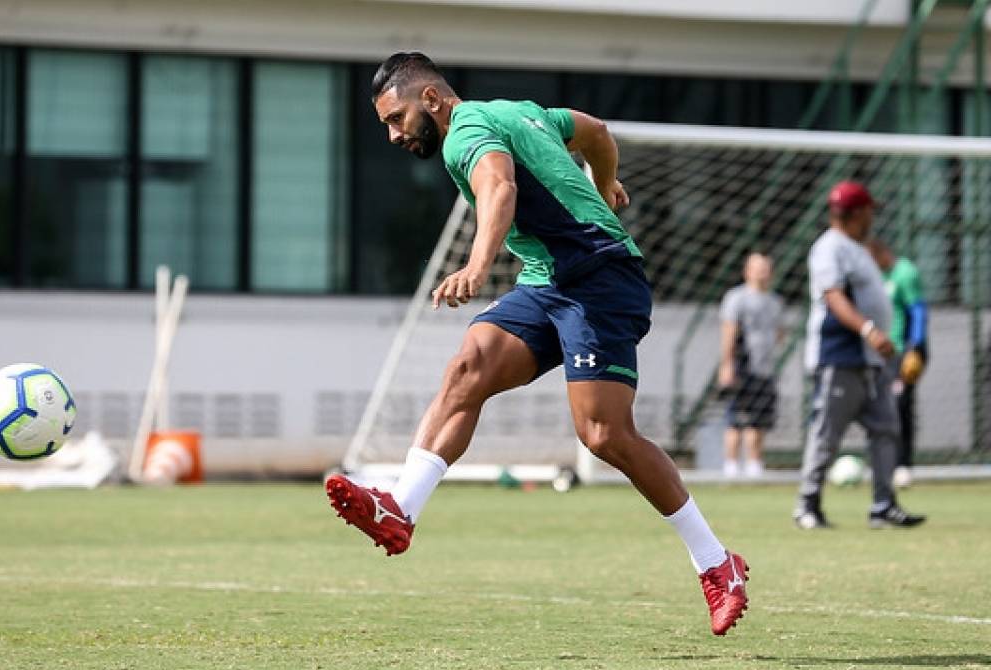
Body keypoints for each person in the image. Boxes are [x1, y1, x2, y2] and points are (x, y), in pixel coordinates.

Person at [324, 52, 749, 636]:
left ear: (430, 100)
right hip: (546, 279)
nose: (394, 135)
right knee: (467, 368)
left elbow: (498, 188)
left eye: (396, 119)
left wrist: (477, 265)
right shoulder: (520, 111)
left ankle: (717, 562)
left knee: (604, 434)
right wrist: (605, 186)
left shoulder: (464, 133)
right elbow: (596, 132)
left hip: (600, 281)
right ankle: (402, 508)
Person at [796, 180, 926, 530]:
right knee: (827, 433)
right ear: (855, 213)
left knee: (886, 428)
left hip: (869, 361)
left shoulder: (858, 247)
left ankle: (883, 505)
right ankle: (807, 506)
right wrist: (869, 330)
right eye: (869, 209)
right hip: (839, 356)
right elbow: (834, 297)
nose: (873, 215)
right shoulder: (829, 247)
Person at [867, 239, 928, 489]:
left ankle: (903, 464)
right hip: (877, 353)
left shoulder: (905, 272)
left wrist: (915, 347)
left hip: (903, 352)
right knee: (876, 407)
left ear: (882, 252)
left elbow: (919, 311)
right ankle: (880, 463)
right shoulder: (873, 276)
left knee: (900, 405)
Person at [718, 252, 784, 478]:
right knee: (736, 418)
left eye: (765, 268)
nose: (762, 273)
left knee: (759, 419)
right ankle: (731, 465)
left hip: (765, 368)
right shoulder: (737, 298)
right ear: (747, 271)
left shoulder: (775, 301)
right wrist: (727, 364)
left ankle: (755, 464)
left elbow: (779, 332)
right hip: (742, 366)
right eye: (757, 268)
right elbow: (729, 330)